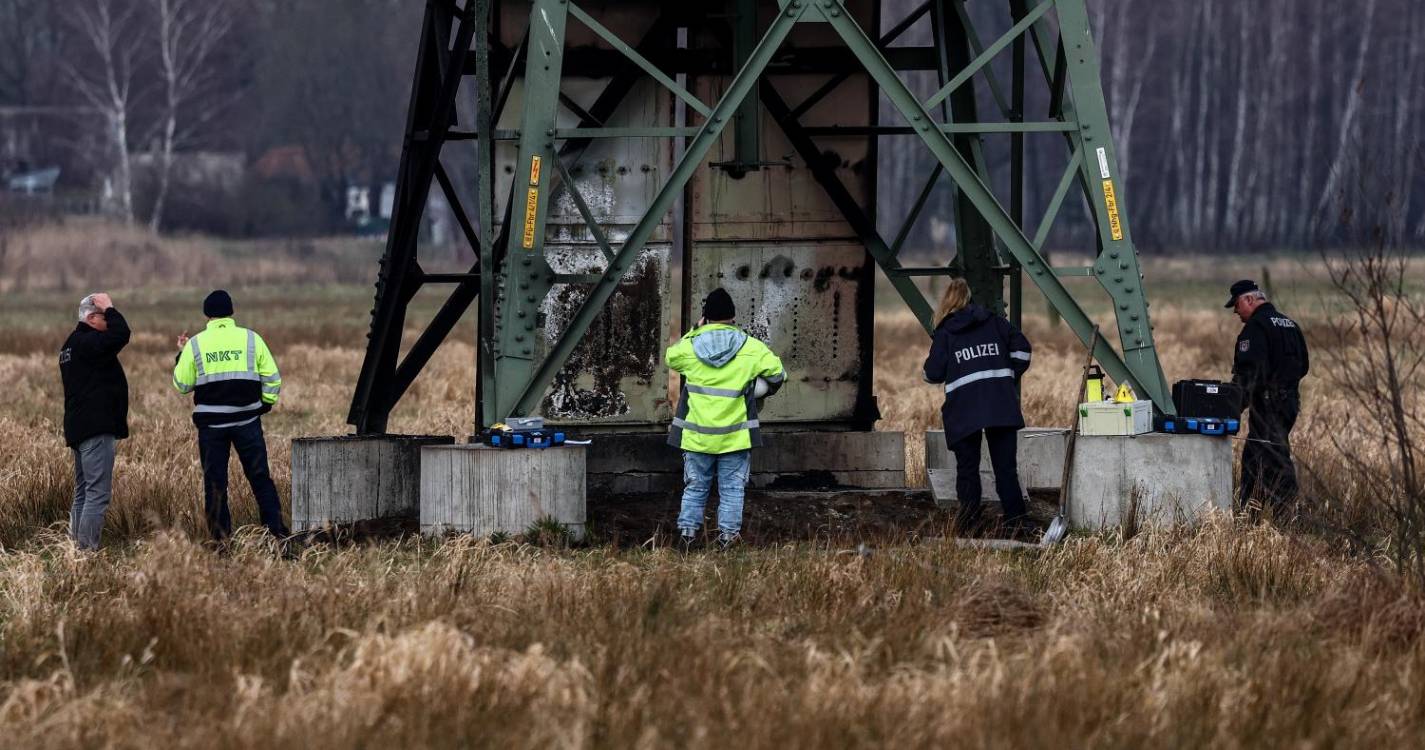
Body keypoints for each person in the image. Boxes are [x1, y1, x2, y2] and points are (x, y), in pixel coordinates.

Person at [666, 288, 785, 549]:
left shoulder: (690, 347)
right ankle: (727, 540)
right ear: (733, 317)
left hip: (697, 438)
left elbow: (670, 356)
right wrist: (758, 390)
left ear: (706, 317)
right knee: (732, 489)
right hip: (735, 437)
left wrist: (695, 330)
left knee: (696, 488)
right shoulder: (751, 348)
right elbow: (778, 374)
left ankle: (687, 537)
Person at [172, 290, 289, 543]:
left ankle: (220, 543)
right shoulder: (251, 339)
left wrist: (182, 354)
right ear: (231, 312)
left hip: (211, 427)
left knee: (215, 485)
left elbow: (182, 384)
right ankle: (277, 535)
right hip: (248, 422)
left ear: (207, 315)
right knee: (260, 478)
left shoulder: (196, 344)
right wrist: (264, 404)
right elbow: (272, 378)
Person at [922, 278, 1033, 533]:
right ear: (970, 298)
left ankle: (969, 523)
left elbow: (933, 373)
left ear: (947, 302)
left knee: (967, 469)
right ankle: (1016, 522)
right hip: (1000, 403)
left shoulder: (946, 331)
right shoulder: (995, 322)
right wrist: (1006, 375)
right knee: (1006, 469)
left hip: (964, 409)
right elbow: (1023, 352)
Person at [1226, 280, 1309, 520]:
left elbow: (1249, 374)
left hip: (1268, 404)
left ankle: (1288, 515)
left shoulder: (1256, 328)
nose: (1235, 311)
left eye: (1237, 304)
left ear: (1250, 300)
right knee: (1254, 455)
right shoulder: (1290, 324)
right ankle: (1249, 514)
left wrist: (1231, 407)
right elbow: (1304, 366)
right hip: (1289, 402)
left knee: (1274, 456)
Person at [58, 292, 131, 550]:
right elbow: (122, 334)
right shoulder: (88, 342)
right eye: (104, 316)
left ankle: (74, 551)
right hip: (95, 428)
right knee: (97, 494)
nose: (109, 321)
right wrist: (110, 306)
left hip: (78, 428)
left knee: (83, 493)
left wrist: (107, 310)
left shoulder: (71, 343)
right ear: (91, 318)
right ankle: (86, 554)